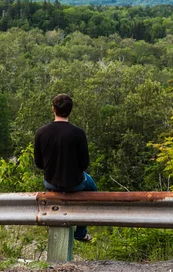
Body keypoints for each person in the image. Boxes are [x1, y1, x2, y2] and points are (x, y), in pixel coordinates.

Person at [34, 93, 97, 242]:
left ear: (53, 109)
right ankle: (81, 231)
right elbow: (84, 164)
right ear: (70, 111)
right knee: (93, 191)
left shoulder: (41, 132)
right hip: (75, 183)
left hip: (50, 182)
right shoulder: (78, 133)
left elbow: (39, 163)